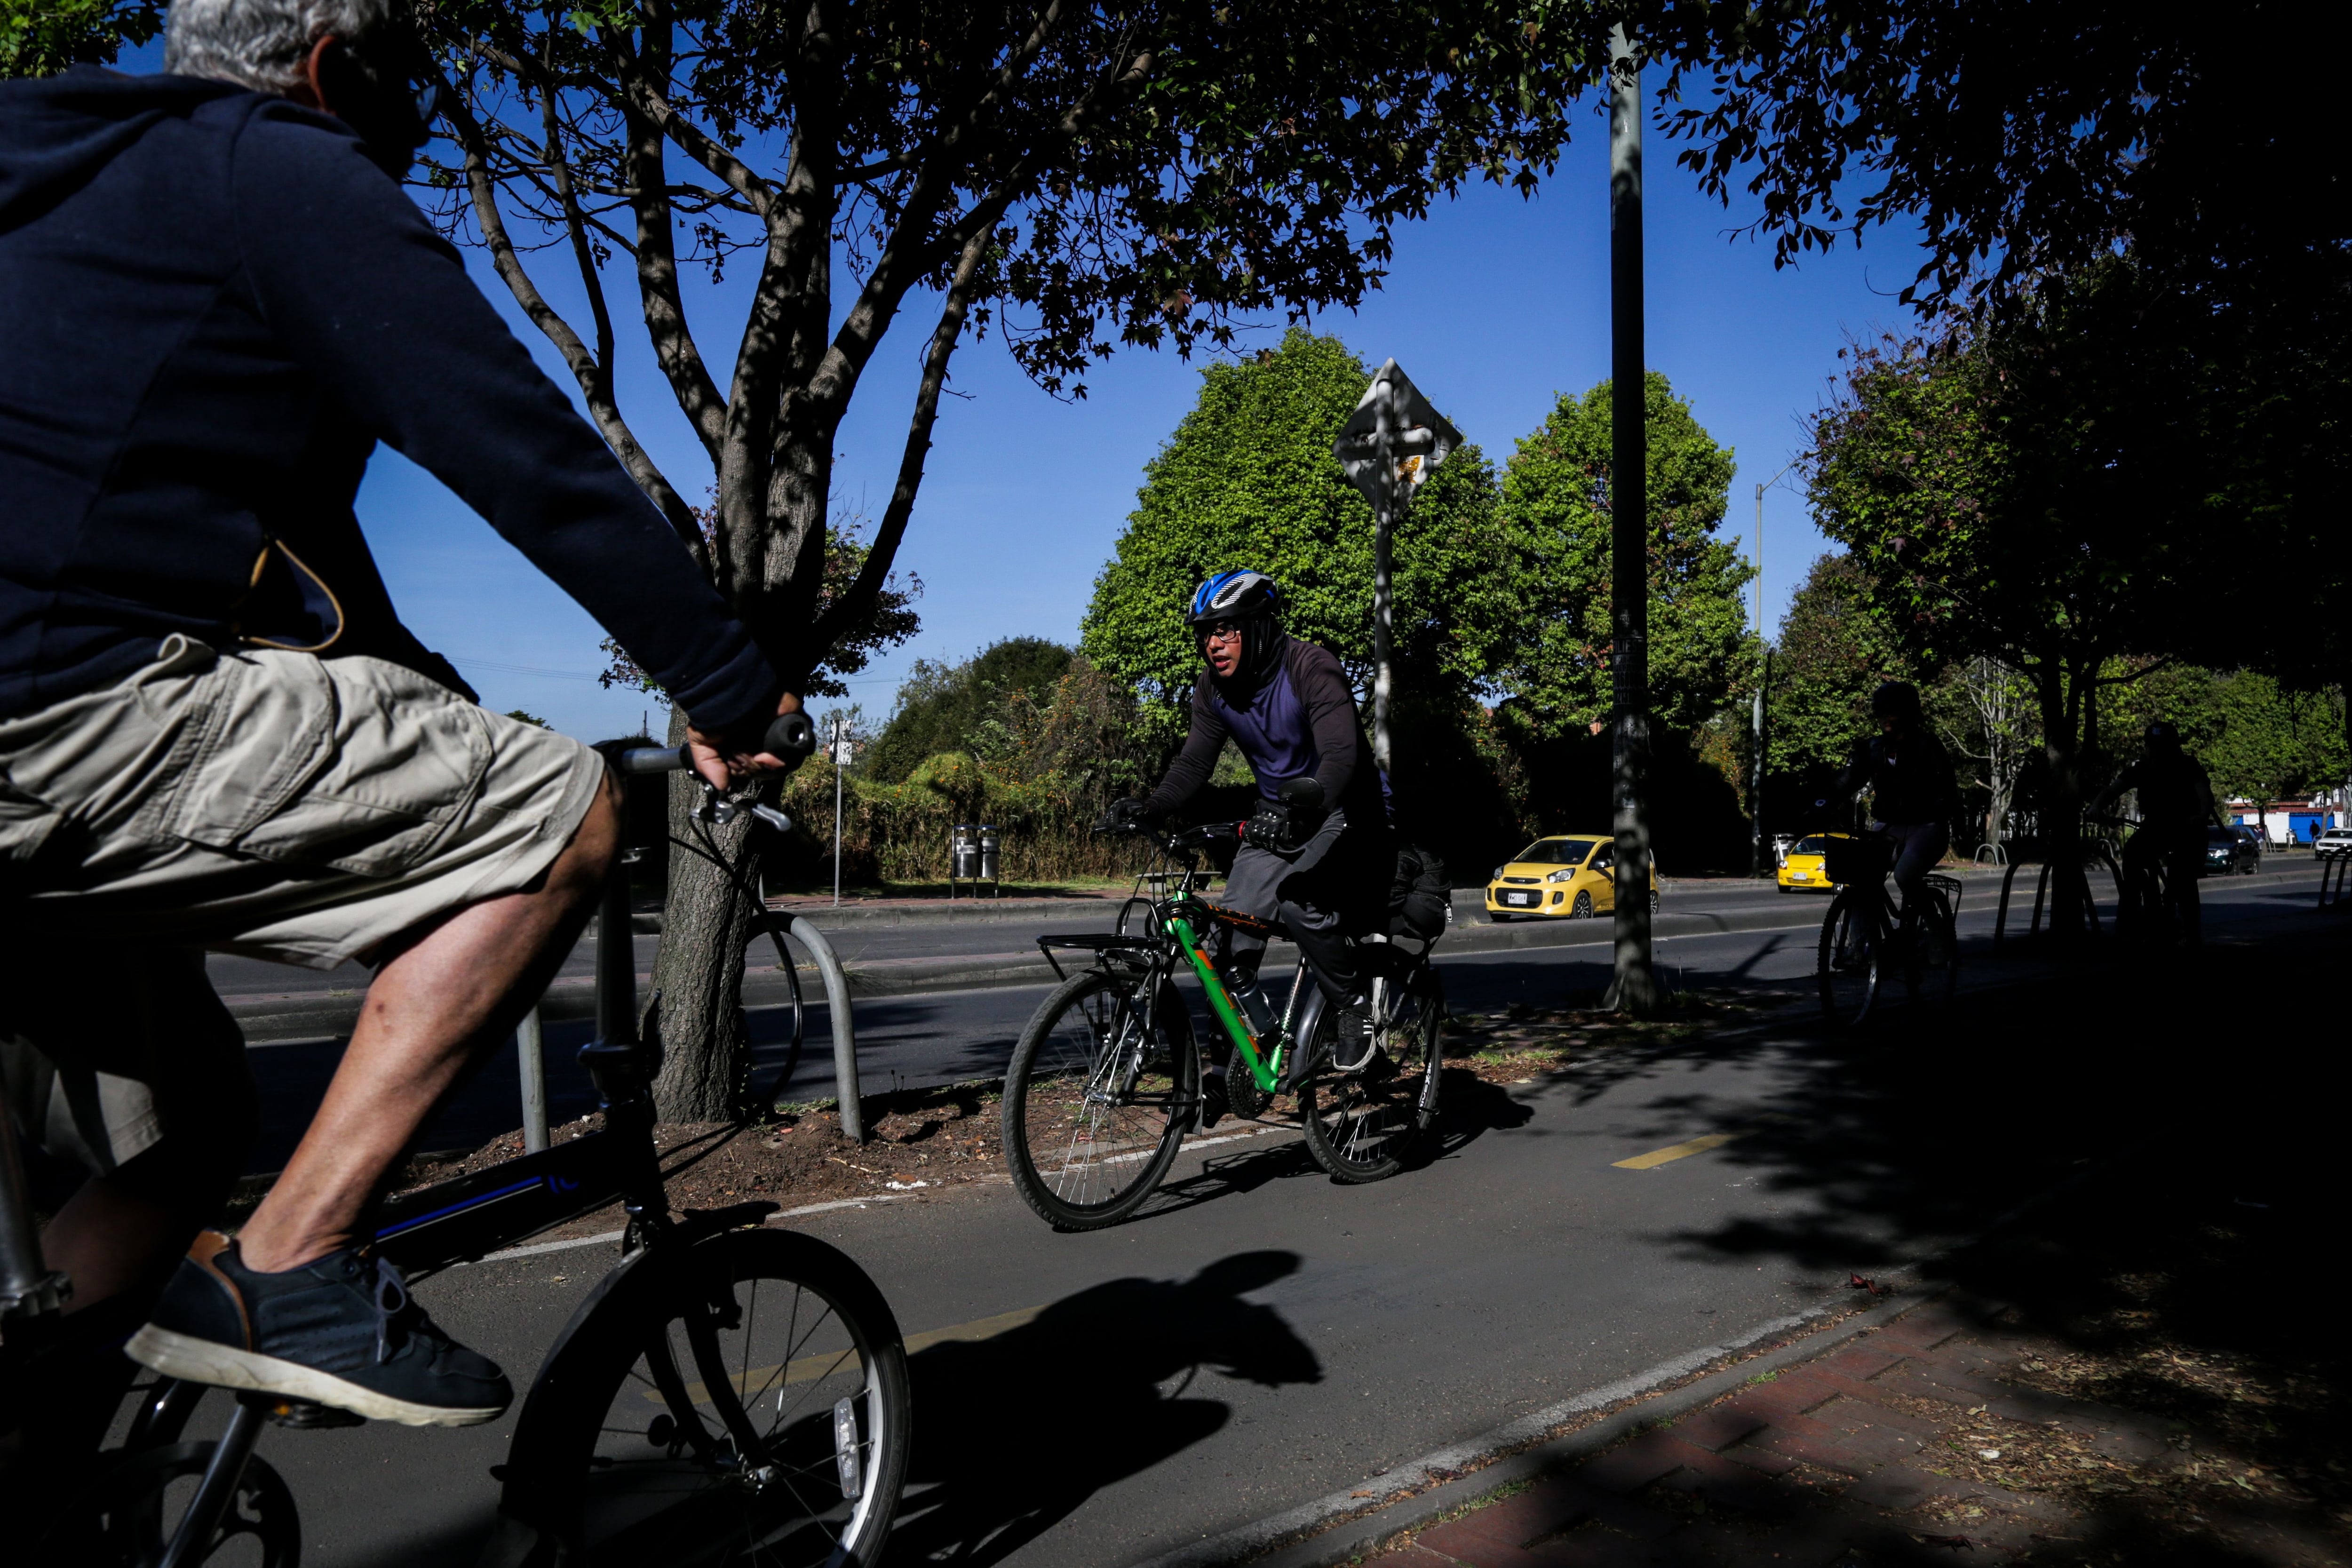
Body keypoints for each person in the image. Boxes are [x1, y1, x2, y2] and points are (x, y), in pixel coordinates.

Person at [0, 0, 800, 1431]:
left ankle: (35, 1445)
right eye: (407, 90)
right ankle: (286, 1268)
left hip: (34, 740)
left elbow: (315, 573)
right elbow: (523, 448)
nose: (420, 130)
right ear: (333, 70)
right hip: (54, 715)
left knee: (197, 1125)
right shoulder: (275, 165)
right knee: (564, 811)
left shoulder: (85, 189)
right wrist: (731, 685)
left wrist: (447, 716)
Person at [1109, 570, 1391, 1126]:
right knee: (1220, 940)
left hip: (1345, 812)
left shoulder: (1311, 667)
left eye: (1226, 630)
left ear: (1259, 628)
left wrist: (1308, 805)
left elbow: (1340, 756)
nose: (1213, 643)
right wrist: (1151, 805)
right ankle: (1235, 1061)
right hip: (1276, 821)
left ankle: (1354, 1008)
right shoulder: (1213, 690)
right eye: (1206, 633)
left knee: (1298, 900)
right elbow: (1193, 764)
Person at [1829, 682, 1960, 944]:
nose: (1886, 717)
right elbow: (1848, 779)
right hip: (1891, 825)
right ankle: (1860, 948)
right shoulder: (1872, 748)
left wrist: (1947, 813)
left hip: (1928, 826)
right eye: (1881, 712)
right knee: (1860, 876)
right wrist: (1823, 801)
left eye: (1893, 711)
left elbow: (1949, 787)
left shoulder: (1928, 745)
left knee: (1905, 875)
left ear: (1910, 713)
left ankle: (1937, 934)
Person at [2090, 721, 2217, 947]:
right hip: (2156, 828)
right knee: (2132, 855)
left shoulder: (2188, 766)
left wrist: (2200, 816)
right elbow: (2114, 789)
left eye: (2163, 747)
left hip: (2187, 829)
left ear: (2174, 747)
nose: (2157, 752)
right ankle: (2132, 917)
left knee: (2183, 879)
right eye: (2152, 747)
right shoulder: (2142, 769)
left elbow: (2205, 795)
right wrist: (2096, 807)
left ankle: (2191, 933)